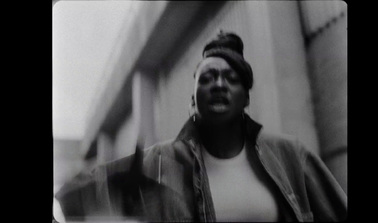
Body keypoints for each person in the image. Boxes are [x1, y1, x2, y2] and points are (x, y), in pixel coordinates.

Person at [55, 31, 347, 222]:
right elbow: (72, 194)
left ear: (246, 97)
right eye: (206, 78)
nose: (218, 84)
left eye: (231, 78)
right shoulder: (158, 162)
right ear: (192, 100)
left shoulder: (290, 156)